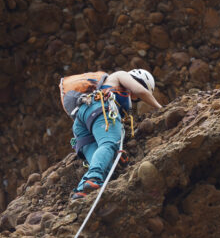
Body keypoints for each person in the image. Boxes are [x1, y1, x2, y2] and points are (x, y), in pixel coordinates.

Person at [66, 69, 161, 201]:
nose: (136, 98)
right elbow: (141, 91)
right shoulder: (120, 75)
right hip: (99, 109)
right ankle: (93, 177)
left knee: (104, 164)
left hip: (82, 122)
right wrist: (161, 108)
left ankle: (81, 193)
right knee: (109, 144)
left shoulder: (112, 89)